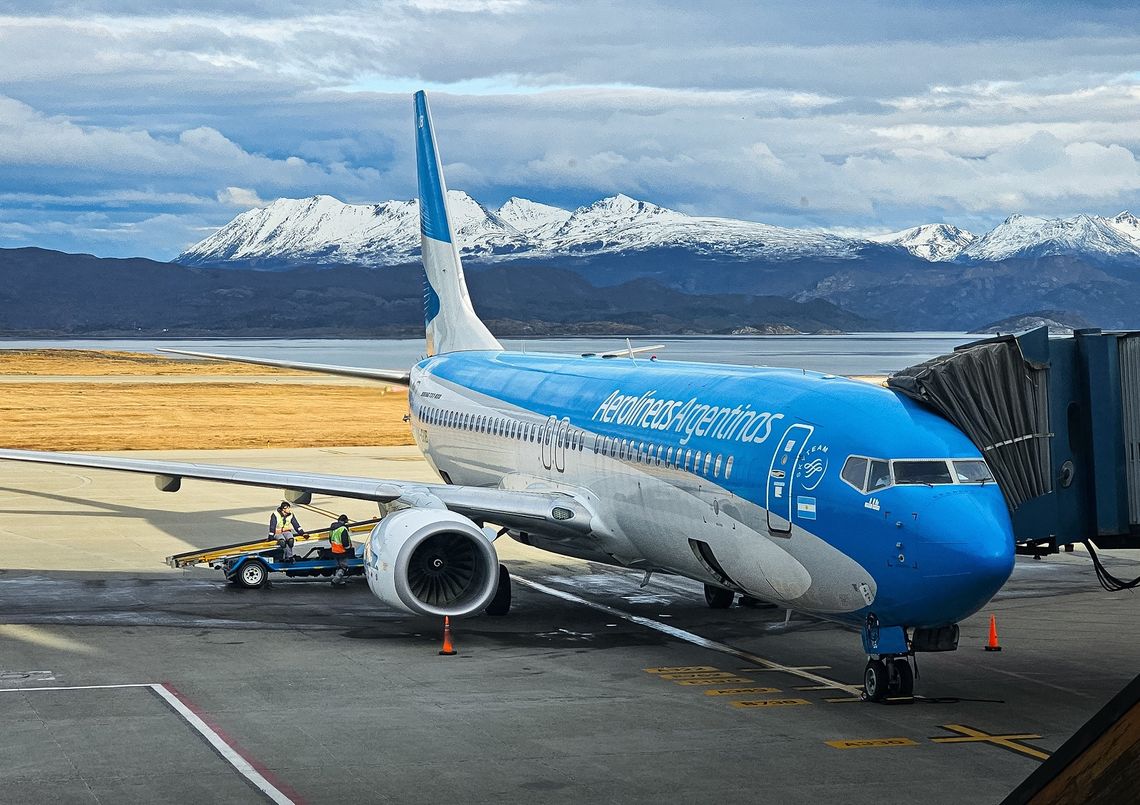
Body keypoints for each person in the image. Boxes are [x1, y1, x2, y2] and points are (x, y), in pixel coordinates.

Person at [328, 514, 353, 586]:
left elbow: (330, 539)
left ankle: (340, 581)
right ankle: (335, 580)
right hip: (342, 551)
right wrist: (348, 549)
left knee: (339, 566)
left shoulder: (332, 528)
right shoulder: (343, 529)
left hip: (334, 550)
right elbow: (345, 541)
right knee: (344, 567)